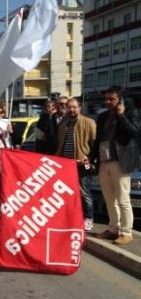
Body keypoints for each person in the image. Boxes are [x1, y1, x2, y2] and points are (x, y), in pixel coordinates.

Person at [90, 87, 141, 245]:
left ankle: (126, 232)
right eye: (106, 99)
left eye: (111, 99)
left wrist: (120, 115)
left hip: (121, 161)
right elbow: (99, 139)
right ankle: (113, 229)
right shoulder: (103, 116)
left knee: (123, 198)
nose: (107, 102)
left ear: (120, 99)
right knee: (109, 199)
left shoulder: (131, 112)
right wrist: (92, 157)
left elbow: (133, 132)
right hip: (104, 161)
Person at [56, 98, 96, 231]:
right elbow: (60, 143)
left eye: (74, 107)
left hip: (81, 164)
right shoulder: (64, 122)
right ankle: (71, 218)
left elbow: (95, 144)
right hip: (66, 164)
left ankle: (88, 218)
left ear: (80, 107)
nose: (72, 110)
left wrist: (90, 159)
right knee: (67, 193)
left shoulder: (89, 122)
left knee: (84, 192)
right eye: (69, 107)